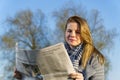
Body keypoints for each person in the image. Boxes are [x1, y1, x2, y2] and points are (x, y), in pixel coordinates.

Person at [14, 16, 105, 80]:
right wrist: (22, 76)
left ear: (84, 34)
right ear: (65, 32)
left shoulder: (95, 58)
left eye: (77, 32)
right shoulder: (55, 52)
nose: (72, 35)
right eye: (69, 31)